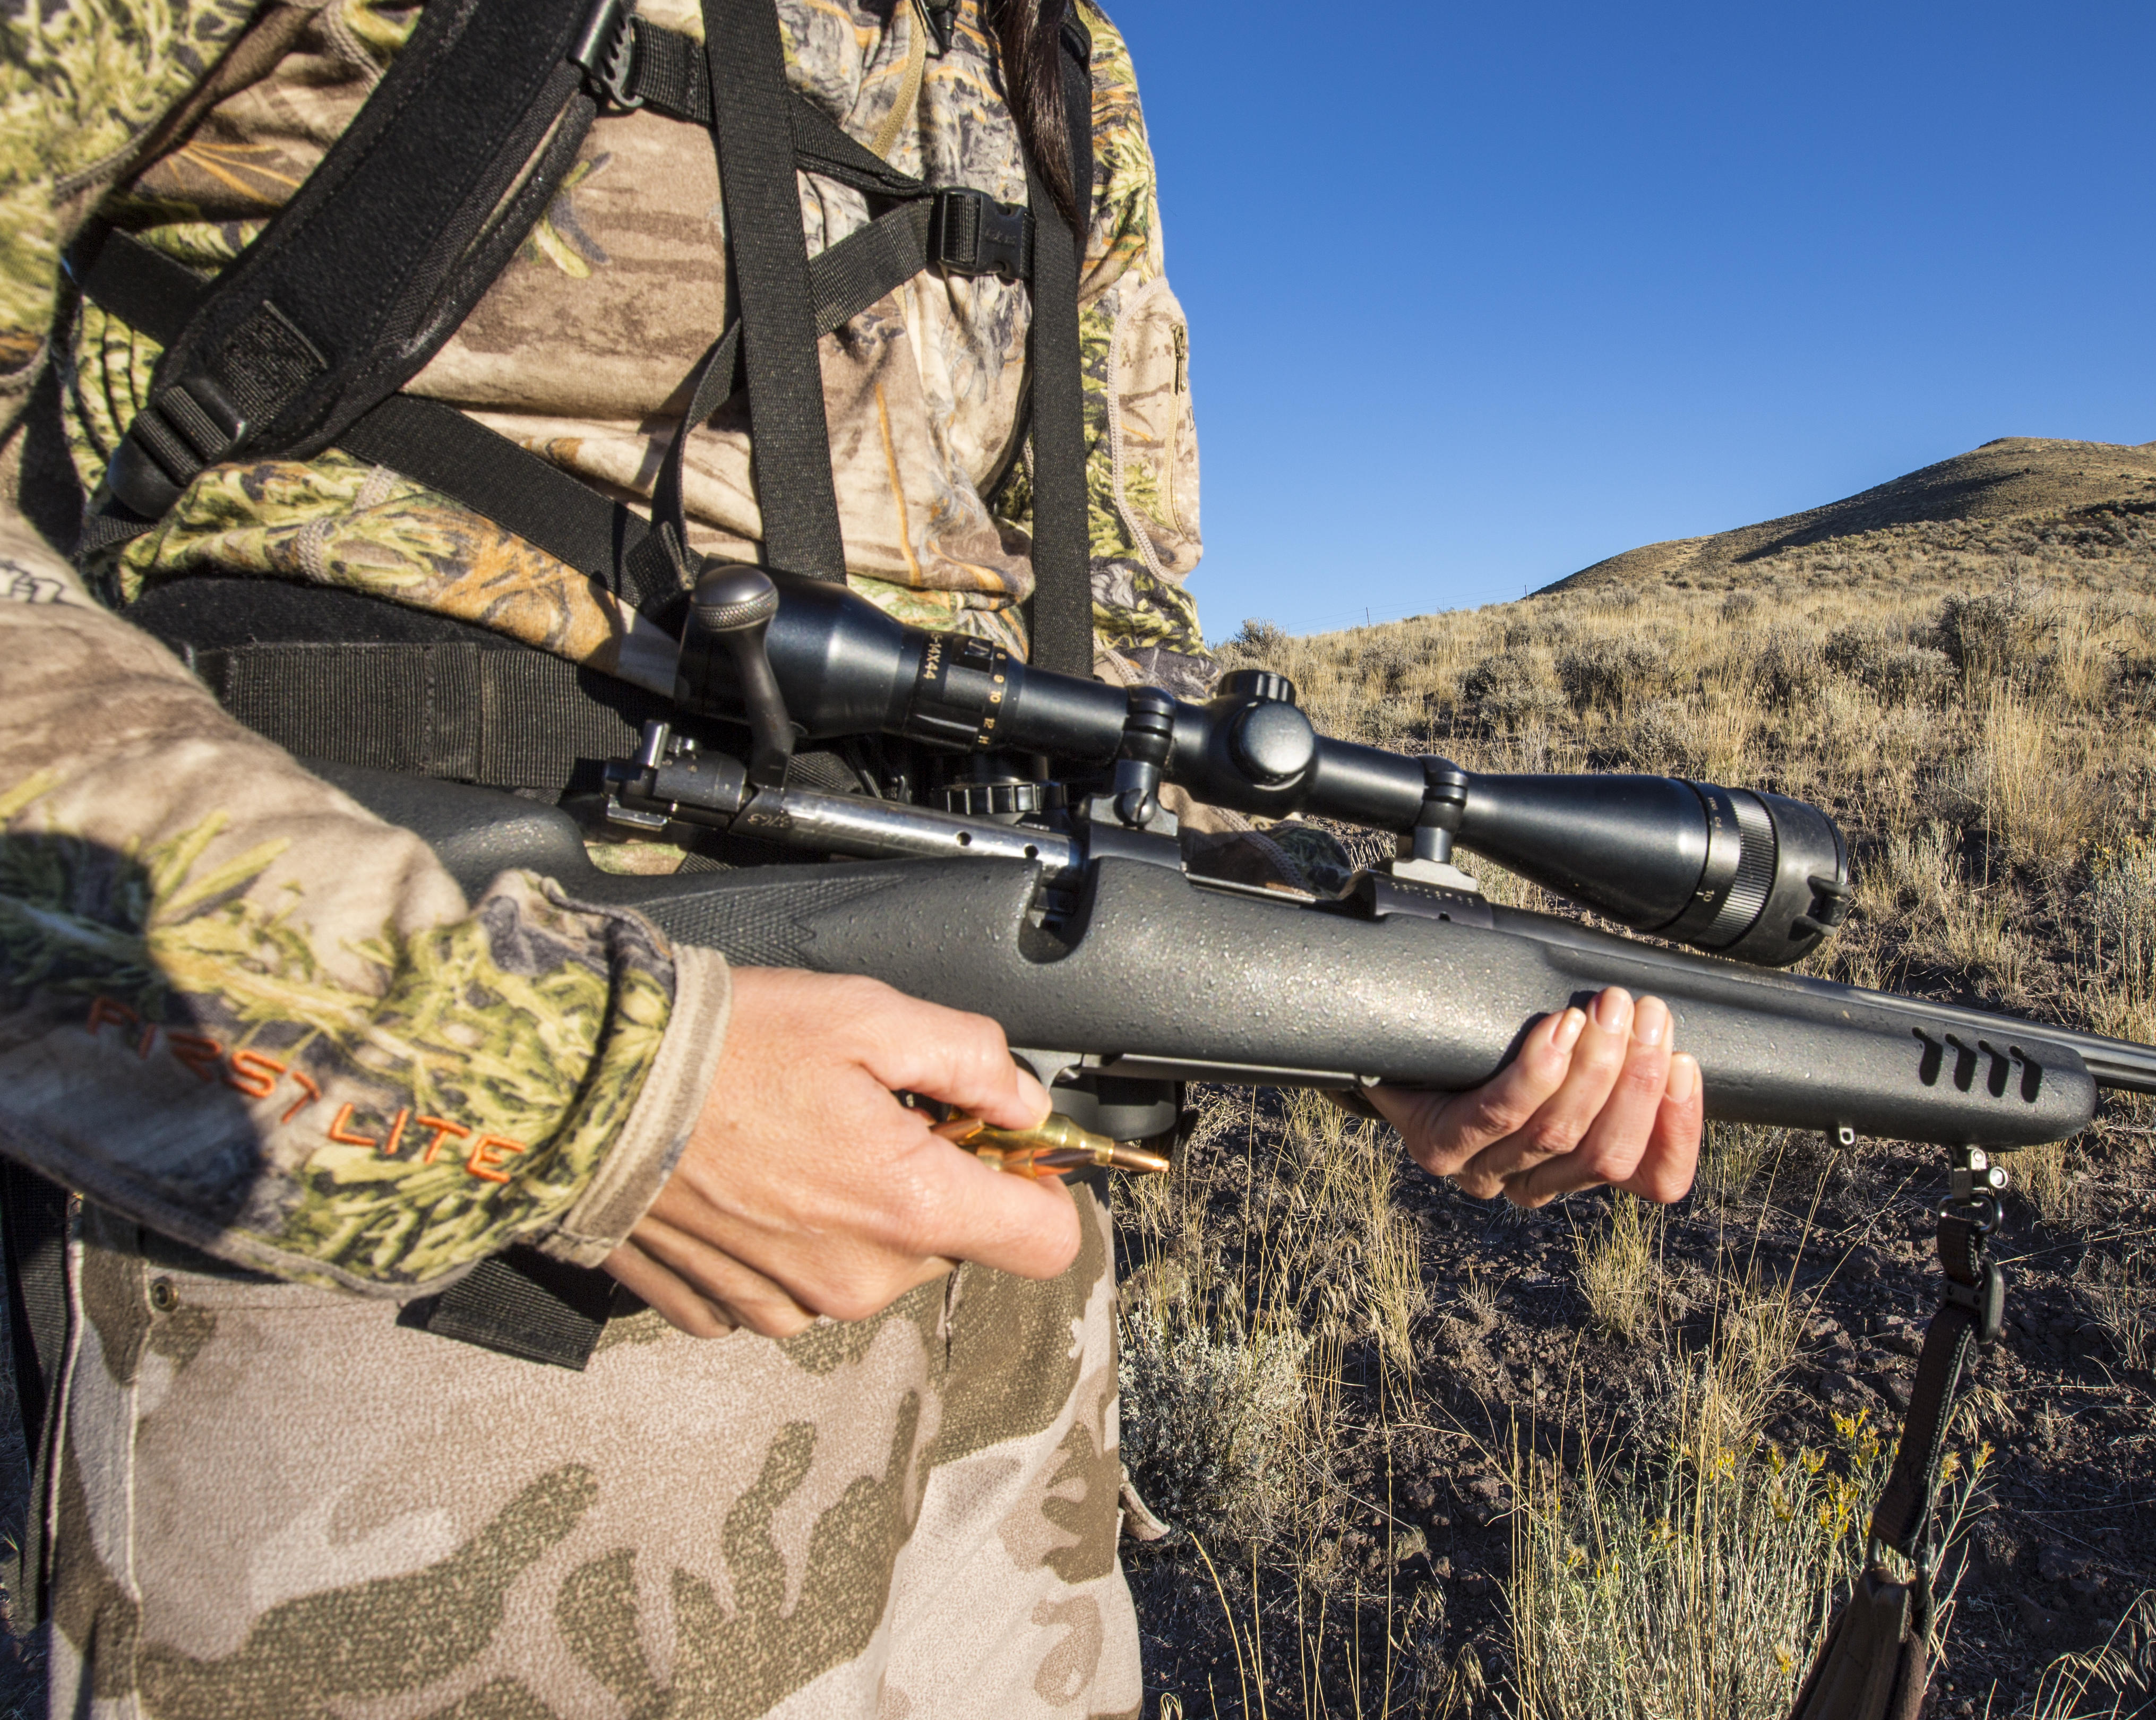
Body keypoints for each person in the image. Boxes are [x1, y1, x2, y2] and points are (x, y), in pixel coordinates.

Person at [0, 2, 1706, 1715]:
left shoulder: (1058, 56)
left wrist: (1354, 1001)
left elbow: (1120, 672)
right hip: (431, 1251)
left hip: (995, 1296)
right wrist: (586, 1092)